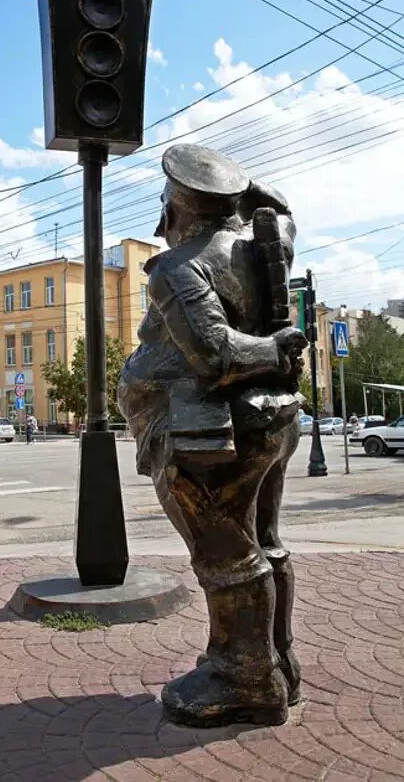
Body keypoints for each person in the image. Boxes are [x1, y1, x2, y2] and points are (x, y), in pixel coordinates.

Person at [118, 144, 307, 728]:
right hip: (268, 419)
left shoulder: (180, 268)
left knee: (227, 556)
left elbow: (214, 354)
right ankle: (276, 663)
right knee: (265, 542)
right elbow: (281, 210)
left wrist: (273, 348)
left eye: (165, 204)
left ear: (177, 208)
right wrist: (244, 187)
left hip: (206, 433)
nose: (161, 220)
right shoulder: (261, 248)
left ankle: (243, 678)